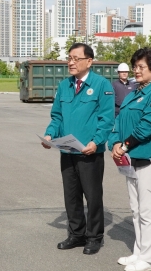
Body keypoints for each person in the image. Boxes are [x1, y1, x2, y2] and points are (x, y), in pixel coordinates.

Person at [43, 43, 115, 255]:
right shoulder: (64, 85)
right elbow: (57, 116)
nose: (71, 62)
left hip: (89, 152)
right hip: (67, 150)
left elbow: (106, 119)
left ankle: (94, 237)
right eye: (69, 58)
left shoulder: (102, 85)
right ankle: (76, 234)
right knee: (71, 195)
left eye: (76, 58)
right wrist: (49, 134)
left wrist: (96, 141)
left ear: (89, 61)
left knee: (92, 196)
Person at [109, 48, 151, 271]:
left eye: (141, 67)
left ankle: (149, 258)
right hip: (129, 159)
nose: (136, 70)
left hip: (148, 158)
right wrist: (115, 142)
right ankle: (139, 251)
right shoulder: (134, 92)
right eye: (135, 66)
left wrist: (125, 145)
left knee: (148, 209)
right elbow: (120, 120)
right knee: (135, 208)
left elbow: (148, 125)